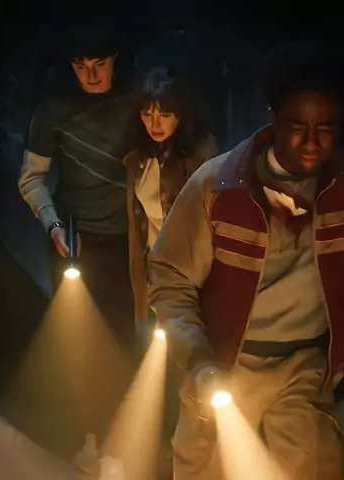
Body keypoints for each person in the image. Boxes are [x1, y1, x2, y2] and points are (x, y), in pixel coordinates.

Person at [149, 41, 344, 479]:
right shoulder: (218, 187)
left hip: (306, 366)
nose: (312, 142)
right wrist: (198, 361)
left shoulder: (340, 191)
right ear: (273, 117)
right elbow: (170, 278)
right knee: (206, 465)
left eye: (326, 128)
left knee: (315, 463)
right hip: (226, 361)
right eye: (297, 126)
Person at [18, 22, 138, 447]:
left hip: (127, 244)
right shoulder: (54, 108)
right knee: (76, 341)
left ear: (115, 60)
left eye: (99, 64)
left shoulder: (138, 100)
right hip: (75, 239)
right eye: (81, 65)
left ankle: (122, 436)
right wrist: (53, 224)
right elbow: (31, 177)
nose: (90, 74)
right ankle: (79, 437)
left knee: (124, 339)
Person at [124, 66, 217, 329]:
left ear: (181, 113)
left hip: (191, 277)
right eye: (147, 114)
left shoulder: (201, 153)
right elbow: (138, 229)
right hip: (153, 274)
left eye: (164, 115)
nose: (155, 124)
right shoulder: (138, 156)